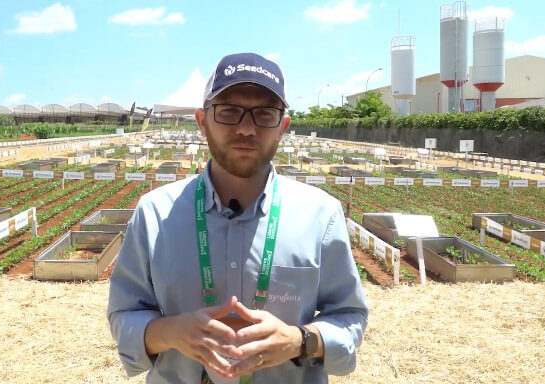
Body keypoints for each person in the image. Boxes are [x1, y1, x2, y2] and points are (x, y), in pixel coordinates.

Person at [107, 52, 368, 384]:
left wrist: (299, 341)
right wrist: (171, 332)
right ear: (202, 122)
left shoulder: (321, 215)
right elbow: (124, 314)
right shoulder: (155, 214)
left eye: (264, 113)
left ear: (282, 127)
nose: (247, 128)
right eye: (229, 111)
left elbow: (350, 316)